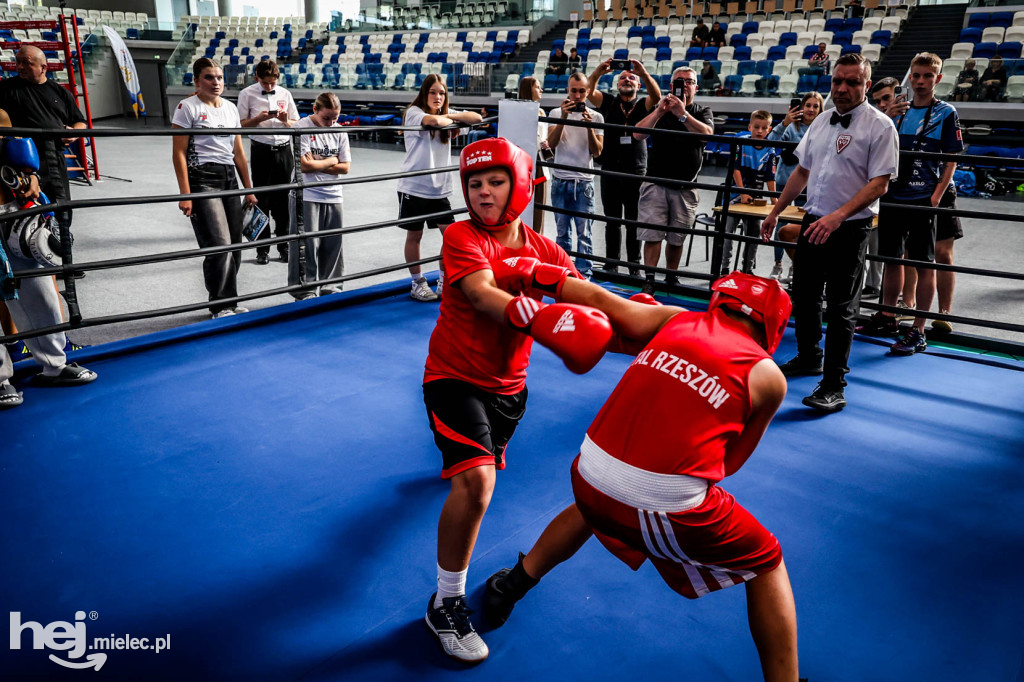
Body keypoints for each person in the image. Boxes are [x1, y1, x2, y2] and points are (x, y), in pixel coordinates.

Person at [481, 273, 800, 682]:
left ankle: (511, 584)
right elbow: (729, 465)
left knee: (594, 504)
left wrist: (541, 277)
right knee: (768, 560)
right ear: (773, 325)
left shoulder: (675, 319)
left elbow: (604, 300)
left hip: (586, 470)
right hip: (657, 504)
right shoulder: (769, 377)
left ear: (719, 300)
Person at [422, 137, 618, 663]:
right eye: (476, 184)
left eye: (496, 181)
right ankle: (446, 602)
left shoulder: (543, 247)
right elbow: (484, 294)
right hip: (452, 378)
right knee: (477, 482)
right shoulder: (461, 236)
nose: (484, 193)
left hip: (510, 391)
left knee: (476, 470)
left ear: (520, 184)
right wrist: (539, 309)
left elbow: (587, 302)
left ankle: (459, 466)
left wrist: (645, 322)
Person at [760, 53, 899, 413]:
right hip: (813, 220)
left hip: (849, 227)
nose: (842, 88)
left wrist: (838, 217)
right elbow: (802, 172)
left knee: (841, 308)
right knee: (803, 295)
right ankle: (809, 356)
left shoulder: (880, 126)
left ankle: (834, 384)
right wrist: (776, 211)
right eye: (838, 80)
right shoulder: (821, 120)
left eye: (852, 82)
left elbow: (880, 183)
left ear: (866, 85)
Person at [857, 53, 962, 355]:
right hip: (894, 195)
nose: (920, 81)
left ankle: (918, 329)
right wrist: (887, 115)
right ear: (909, 77)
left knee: (923, 262)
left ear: (938, 79)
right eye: (916, 75)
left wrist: (937, 195)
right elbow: (873, 142)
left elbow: (953, 156)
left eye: (927, 76)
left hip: (923, 198)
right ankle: (888, 316)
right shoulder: (897, 111)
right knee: (891, 258)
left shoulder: (946, 112)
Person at [0, 116, 97, 409]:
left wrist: (30, 177)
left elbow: (17, 152)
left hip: (14, 209)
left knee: (40, 290)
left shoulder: (1, 112)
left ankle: (54, 365)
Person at [171, 58, 258, 319]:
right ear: (197, 80)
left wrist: (248, 189)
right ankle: (219, 304)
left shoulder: (231, 109)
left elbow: (239, 153)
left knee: (235, 243)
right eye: (209, 77)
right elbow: (178, 153)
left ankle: (230, 299)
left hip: (229, 177)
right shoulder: (187, 107)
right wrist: (185, 194)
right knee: (218, 244)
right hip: (202, 179)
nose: (216, 82)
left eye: (219, 77)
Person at [397, 74, 482, 302]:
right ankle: (418, 282)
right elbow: (434, 122)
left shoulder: (446, 113)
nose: (437, 97)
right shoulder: (415, 112)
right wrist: (451, 118)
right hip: (414, 186)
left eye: (442, 93)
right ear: (425, 94)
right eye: (433, 92)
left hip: (439, 189)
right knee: (415, 235)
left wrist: (450, 116)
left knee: (451, 237)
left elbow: (476, 118)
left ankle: (444, 279)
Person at [0, 45, 88, 259]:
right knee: (26, 208)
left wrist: (74, 133)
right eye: (18, 61)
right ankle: (30, 260)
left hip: (53, 157)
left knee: (61, 208)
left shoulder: (59, 92)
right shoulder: (6, 89)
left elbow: (80, 122)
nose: (19, 66)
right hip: (20, 159)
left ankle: (64, 260)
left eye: (27, 63)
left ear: (43, 67)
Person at [633, 67, 714, 294]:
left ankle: (671, 276)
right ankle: (649, 278)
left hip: (686, 186)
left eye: (690, 81)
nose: (685, 85)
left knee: (677, 237)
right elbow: (638, 134)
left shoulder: (701, 110)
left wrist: (683, 114)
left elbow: (708, 135)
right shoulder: (661, 108)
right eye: (680, 81)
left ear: (696, 87)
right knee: (652, 234)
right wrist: (660, 111)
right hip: (655, 182)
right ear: (671, 86)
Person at [587, 59, 662, 276]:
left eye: (631, 78)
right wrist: (599, 71)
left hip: (636, 171)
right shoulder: (609, 101)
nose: (626, 80)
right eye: (622, 78)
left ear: (638, 86)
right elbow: (589, 92)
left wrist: (643, 72)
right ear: (617, 84)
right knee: (612, 221)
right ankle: (612, 264)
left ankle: (634, 267)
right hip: (610, 169)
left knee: (633, 222)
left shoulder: (642, 105)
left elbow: (656, 96)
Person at [287, 92, 351, 300]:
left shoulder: (339, 130)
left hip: (333, 194)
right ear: (315, 109)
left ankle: (330, 285)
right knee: (306, 244)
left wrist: (318, 164)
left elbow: (346, 167)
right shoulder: (301, 127)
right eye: (326, 118)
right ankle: (305, 289)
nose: (331, 123)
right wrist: (332, 159)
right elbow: (304, 166)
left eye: (336, 118)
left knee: (333, 243)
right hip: (306, 193)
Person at [237, 60, 299, 265]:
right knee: (261, 200)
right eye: (265, 83)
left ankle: (284, 247)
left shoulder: (285, 94)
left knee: (284, 201)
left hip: (284, 151)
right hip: (261, 151)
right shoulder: (246, 94)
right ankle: (261, 250)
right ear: (257, 77)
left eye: (273, 83)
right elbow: (240, 126)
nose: (270, 87)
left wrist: (283, 121)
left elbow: (296, 124)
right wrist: (259, 119)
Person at [547, 72, 604, 279]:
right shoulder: (555, 112)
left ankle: (584, 276)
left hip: (583, 182)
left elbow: (597, 152)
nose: (577, 96)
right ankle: (562, 273)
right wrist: (564, 116)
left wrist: (589, 126)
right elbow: (551, 145)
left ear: (588, 92)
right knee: (562, 234)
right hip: (561, 180)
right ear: (568, 91)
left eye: (581, 91)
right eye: (574, 91)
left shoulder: (597, 117)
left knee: (585, 235)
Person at [766, 92, 824, 284]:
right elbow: (768, 143)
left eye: (815, 106)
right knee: (781, 224)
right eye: (808, 105)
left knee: (801, 228)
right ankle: (777, 264)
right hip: (785, 182)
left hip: (809, 186)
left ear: (820, 109)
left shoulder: (823, 128)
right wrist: (783, 123)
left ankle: (794, 265)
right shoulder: (790, 127)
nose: (811, 109)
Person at [722, 110, 776, 277]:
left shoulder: (770, 150)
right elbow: (735, 170)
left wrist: (775, 202)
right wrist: (742, 193)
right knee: (727, 234)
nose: (759, 131)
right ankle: (724, 268)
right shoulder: (741, 143)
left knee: (753, 236)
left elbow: (770, 177)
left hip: (756, 200)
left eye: (764, 128)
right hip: (735, 196)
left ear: (769, 129)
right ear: (749, 127)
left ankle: (747, 269)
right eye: (756, 127)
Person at [864, 77, 901, 299]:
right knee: (874, 240)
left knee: (903, 251)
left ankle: (904, 298)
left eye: (887, 98)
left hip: (907, 193)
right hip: (881, 188)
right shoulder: (879, 122)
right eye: (878, 101)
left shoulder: (915, 118)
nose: (882, 104)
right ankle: (874, 285)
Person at [517, 76, 550, 234]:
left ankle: (536, 243)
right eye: (537, 87)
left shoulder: (541, 111)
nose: (541, 90)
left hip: (539, 162)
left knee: (538, 206)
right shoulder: (520, 112)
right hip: (526, 162)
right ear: (528, 89)